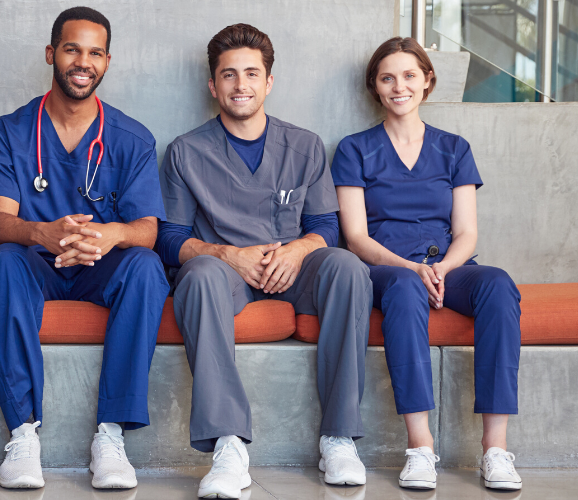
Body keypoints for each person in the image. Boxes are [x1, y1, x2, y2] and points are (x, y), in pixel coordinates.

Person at [157, 23, 374, 499]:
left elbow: (326, 227)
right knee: (196, 276)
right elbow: (169, 238)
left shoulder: (305, 145)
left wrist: (297, 250)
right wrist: (226, 254)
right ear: (213, 85)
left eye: (251, 74)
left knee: (347, 268)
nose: (241, 85)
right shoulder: (185, 152)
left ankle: (338, 438)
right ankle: (228, 444)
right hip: (225, 275)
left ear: (269, 82)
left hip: (293, 270)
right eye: (229, 75)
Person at [0, 6, 169, 491]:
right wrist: (42, 232)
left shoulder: (131, 137)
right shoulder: (9, 131)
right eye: (71, 50)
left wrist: (112, 235)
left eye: (94, 53)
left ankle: (110, 436)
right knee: (2, 263)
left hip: (100, 268)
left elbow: (147, 228)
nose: (83, 62)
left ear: (107, 61)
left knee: (146, 266)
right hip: (35, 265)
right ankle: (23, 435)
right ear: (51, 54)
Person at [332, 37, 522, 492]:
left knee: (498, 284)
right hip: (388, 268)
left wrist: (441, 268)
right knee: (403, 286)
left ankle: (494, 451)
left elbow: (467, 233)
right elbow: (356, 238)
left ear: (427, 81)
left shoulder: (454, 148)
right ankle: (420, 449)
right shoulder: (353, 149)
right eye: (388, 78)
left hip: (448, 268)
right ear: (375, 88)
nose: (400, 86)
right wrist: (412, 269)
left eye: (410, 75)